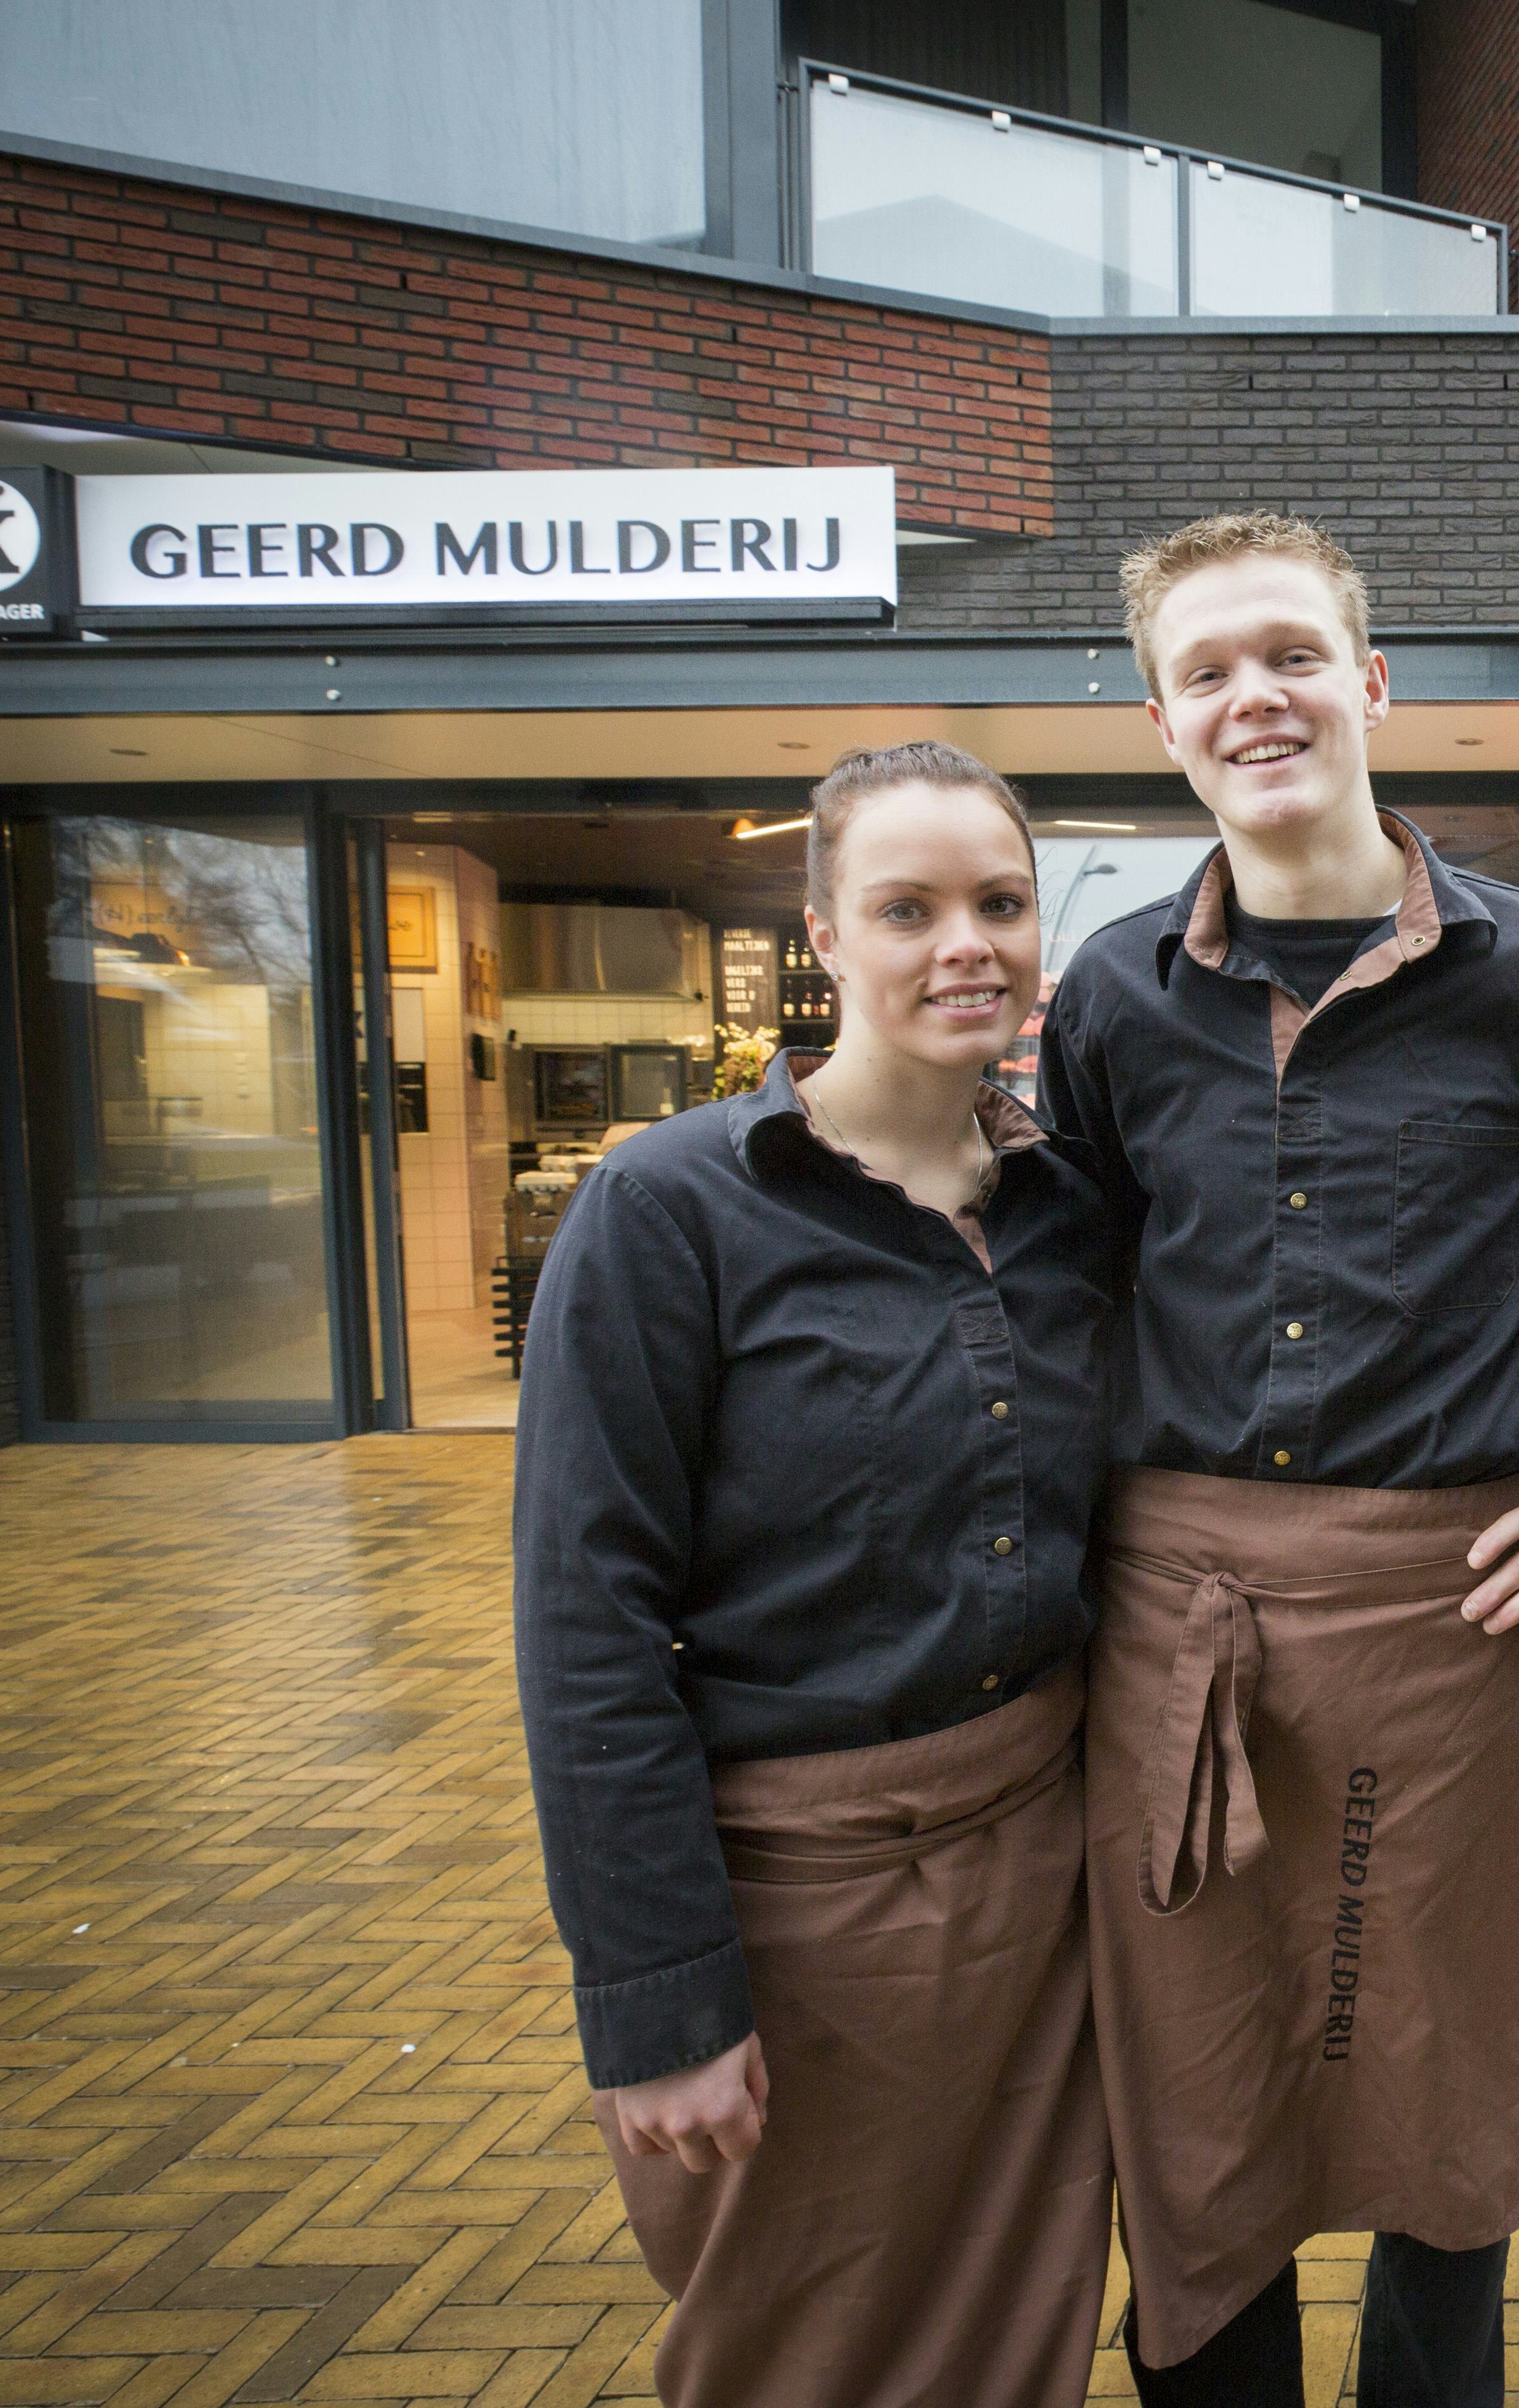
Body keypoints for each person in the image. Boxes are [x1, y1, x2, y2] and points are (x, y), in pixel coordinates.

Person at [1036, 511, 1519, 2405]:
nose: (1252, 695)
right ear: (1163, 721)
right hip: (1176, 1633)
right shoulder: (1103, 998)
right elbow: (1053, 1305)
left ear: (1370, 682)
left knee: (1446, 2071)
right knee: (1191, 2092)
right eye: (1206, 670)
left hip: (1449, 1623)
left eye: (1288, 653)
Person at [511, 740, 1129, 2406]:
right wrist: (657, 1999)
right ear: (826, 936)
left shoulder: (1076, 1208)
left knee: (1019, 2338)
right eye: (906, 906)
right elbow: (586, 1628)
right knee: (800, 2353)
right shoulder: (668, 1210)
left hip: (1041, 1886)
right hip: (796, 1921)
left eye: (999, 902)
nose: (964, 945)